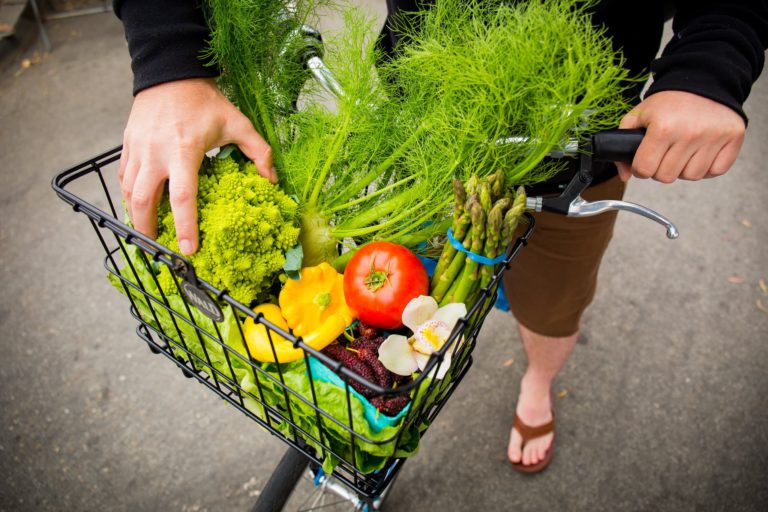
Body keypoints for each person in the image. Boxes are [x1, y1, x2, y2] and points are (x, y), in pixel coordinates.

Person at [114, 0, 768, 473]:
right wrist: (169, 61)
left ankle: (537, 382)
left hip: (571, 138)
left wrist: (710, 64)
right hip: (414, 128)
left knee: (550, 302)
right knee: (400, 294)